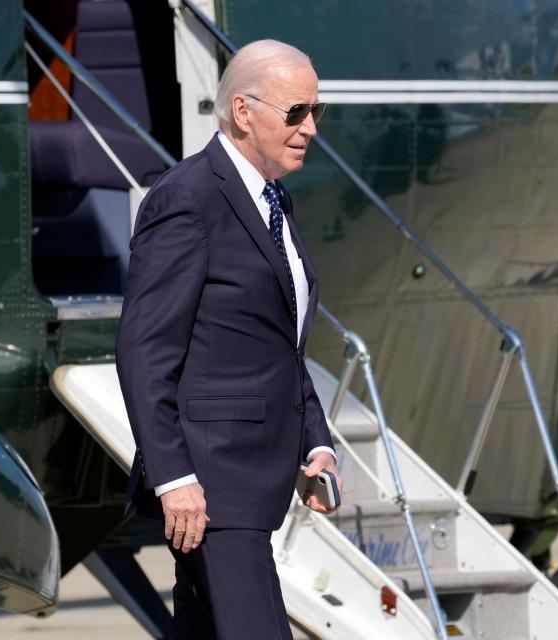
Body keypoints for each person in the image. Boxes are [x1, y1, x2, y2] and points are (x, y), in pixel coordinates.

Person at [116, 39, 342, 638]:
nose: (311, 128)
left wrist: (314, 443)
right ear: (244, 111)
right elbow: (144, 351)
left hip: (253, 485)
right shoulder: (188, 198)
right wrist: (174, 479)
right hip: (211, 491)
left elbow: (278, 343)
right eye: (296, 112)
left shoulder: (272, 197)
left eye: (318, 111)